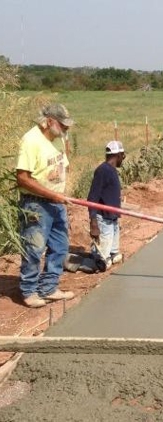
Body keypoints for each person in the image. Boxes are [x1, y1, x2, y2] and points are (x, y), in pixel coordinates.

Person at [15, 103, 76, 308]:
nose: (66, 130)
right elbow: (22, 178)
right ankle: (29, 291)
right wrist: (52, 194)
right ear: (49, 121)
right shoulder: (31, 141)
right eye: (63, 125)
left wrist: (59, 195)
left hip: (57, 202)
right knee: (34, 248)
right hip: (36, 204)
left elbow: (62, 166)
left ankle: (49, 288)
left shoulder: (58, 139)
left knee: (60, 246)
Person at [87, 140, 126, 270]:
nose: (123, 159)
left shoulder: (112, 170)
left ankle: (111, 253)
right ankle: (79, 262)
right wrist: (93, 222)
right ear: (118, 155)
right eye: (123, 155)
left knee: (115, 257)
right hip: (103, 220)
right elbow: (92, 197)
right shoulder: (103, 171)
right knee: (103, 264)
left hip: (112, 219)